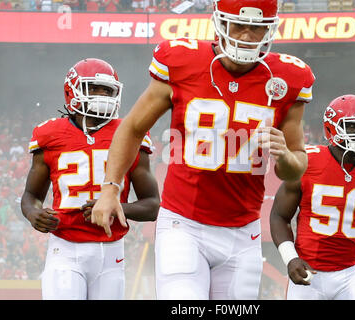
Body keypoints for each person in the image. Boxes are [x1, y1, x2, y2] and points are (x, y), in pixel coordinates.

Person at [91, 0, 315, 300]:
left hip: (242, 230)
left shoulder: (288, 79)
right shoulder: (182, 61)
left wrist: (285, 157)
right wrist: (110, 188)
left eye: (257, 28)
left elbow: (296, 165)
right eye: (240, 24)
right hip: (184, 224)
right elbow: (132, 127)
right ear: (220, 22)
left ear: (271, 29)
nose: (248, 35)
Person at [21, 58, 160, 300]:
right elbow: (30, 197)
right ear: (71, 91)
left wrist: (117, 207)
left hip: (111, 250)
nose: (101, 95)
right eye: (93, 88)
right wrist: (34, 214)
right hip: (64, 247)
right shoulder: (50, 135)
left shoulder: (129, 132)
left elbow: (152, 205)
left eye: (107, 90)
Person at [270, 94, 355, 300]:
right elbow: (279, 216)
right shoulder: (307, 161)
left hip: (352, 272)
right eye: (353, 127)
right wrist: (290, 258)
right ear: (332, 128)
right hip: (308, 270)